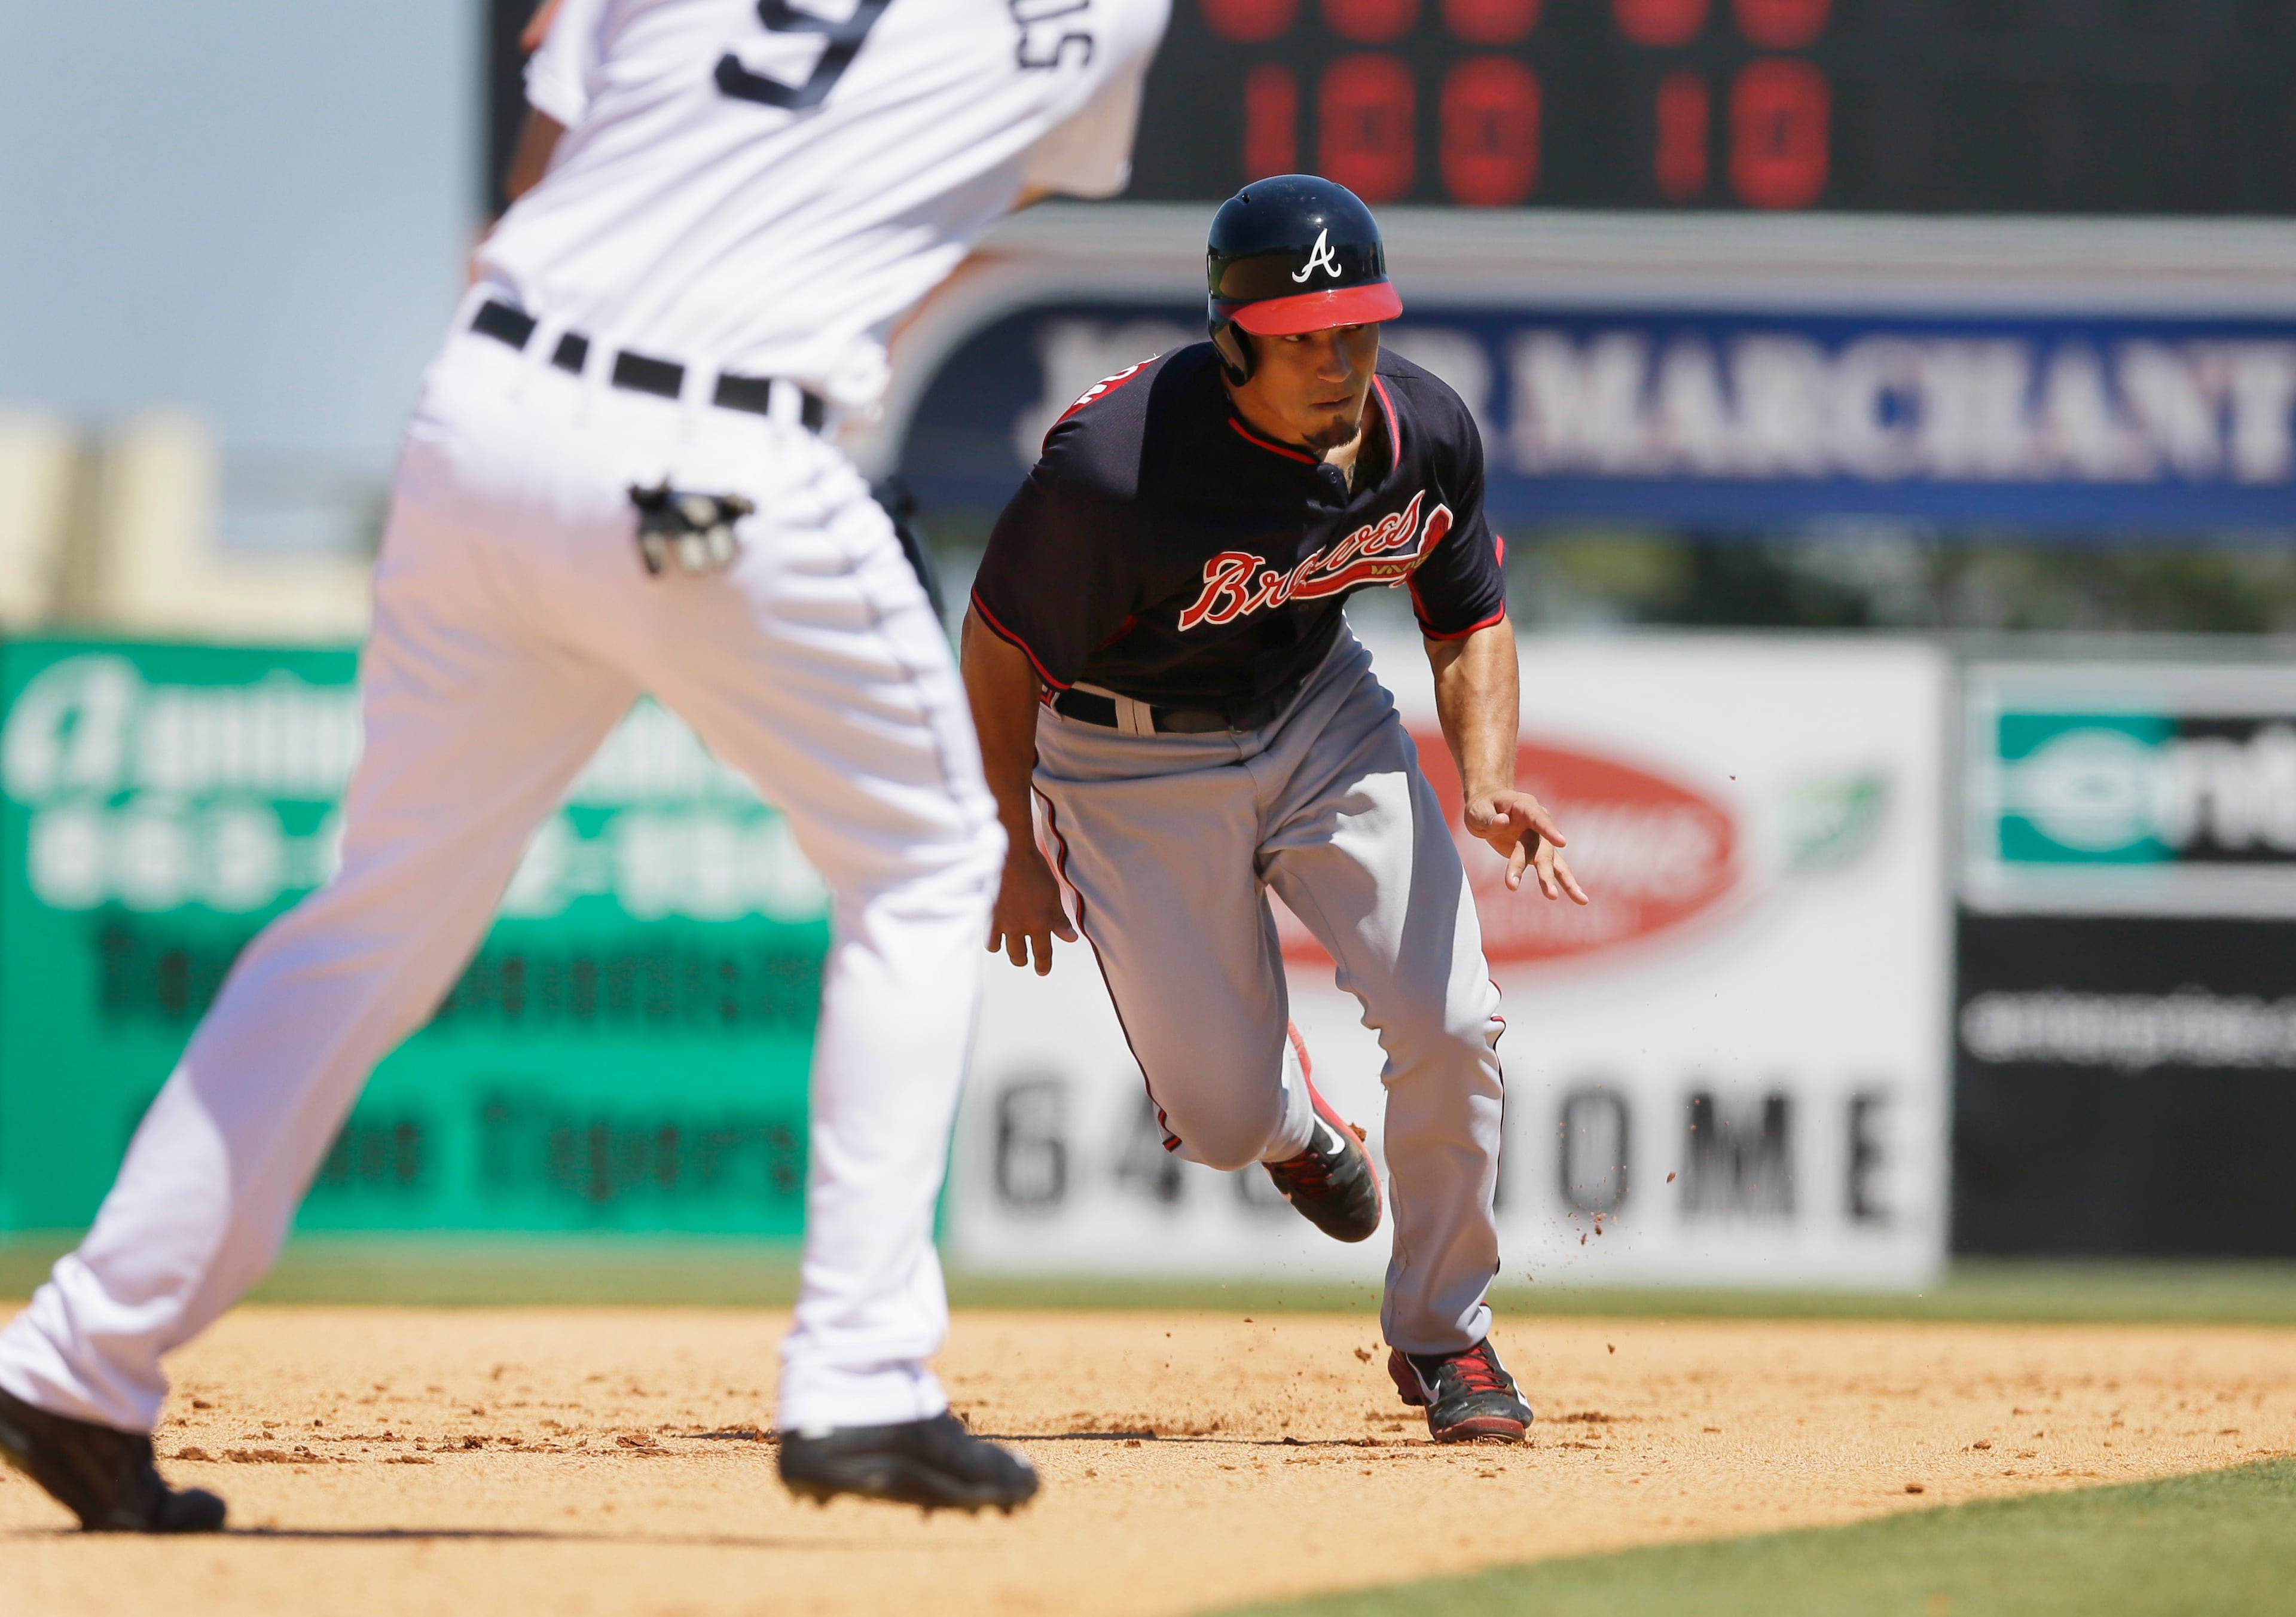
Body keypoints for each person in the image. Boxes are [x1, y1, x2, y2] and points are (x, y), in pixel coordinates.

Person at [0, 0, 1170, 1529]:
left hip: (482, 412)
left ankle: (84, 1357)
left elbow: (557, 124)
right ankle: (862, 1377)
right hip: (723, 447)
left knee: (373, 920)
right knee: (929, 861)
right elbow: (991, 168)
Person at [961, 175, 1589, 1445]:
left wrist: (1490, 772)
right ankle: (1295, 1125)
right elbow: (995, 650)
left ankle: (1445, 1334)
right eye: (1304, 338)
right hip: (1120, 758)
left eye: (1356, 329)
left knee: (1453, 1019)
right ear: (1231, 335)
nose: (1339, 360)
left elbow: (1468, 617)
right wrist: (1006, 842)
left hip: (1316, 712)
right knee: (1225, 1118)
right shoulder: (1114, 475)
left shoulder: (1422, 431)